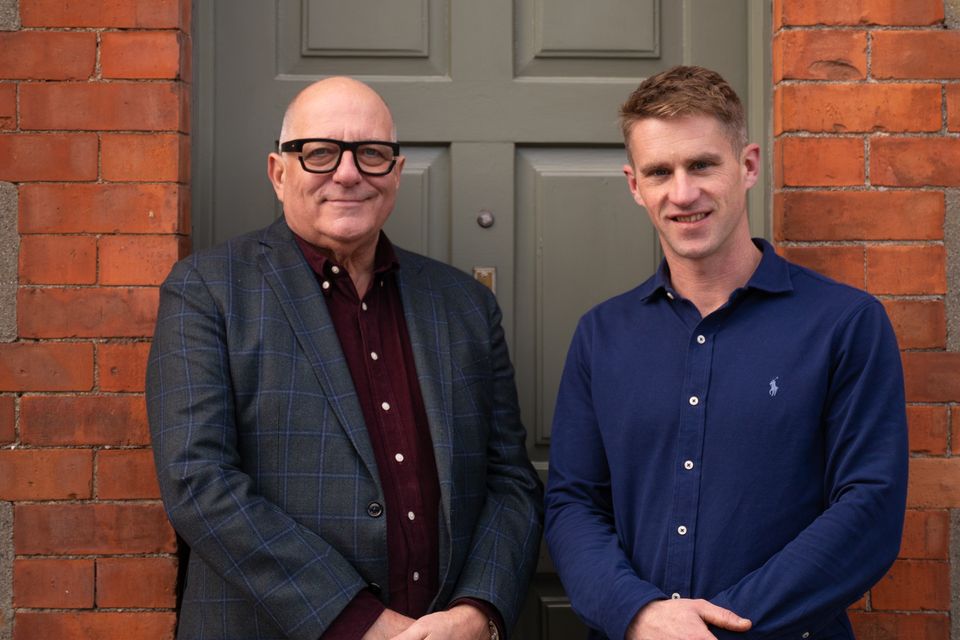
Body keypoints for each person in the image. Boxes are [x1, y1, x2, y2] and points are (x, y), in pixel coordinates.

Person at [146, 76, 542, 640]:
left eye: (372, 154)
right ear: (278, 173)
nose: (349, 173)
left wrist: (480, 611)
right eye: (320, 153)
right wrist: (361, 622)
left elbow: (511, 483)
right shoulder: (207, 291)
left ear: (396, 174)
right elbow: (198, 482)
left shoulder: (464, 306)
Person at [544, 65, 908, 640]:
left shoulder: (844, 323)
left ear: (748, 166)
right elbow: (571, 504)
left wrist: (720, 629)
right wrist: (640, 614)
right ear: (635, 185)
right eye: (660, 171)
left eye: (703, 164)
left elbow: (870, 508)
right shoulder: (601, 335)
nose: (682, 192)